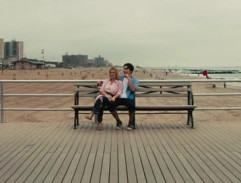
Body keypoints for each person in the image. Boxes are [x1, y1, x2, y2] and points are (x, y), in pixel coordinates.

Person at [109, 63, 139, 130]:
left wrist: (128, 79)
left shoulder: (134, 80)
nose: (124, 70)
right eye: (124, 69)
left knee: (132, 105)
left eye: (126, 69)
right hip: (119, 97)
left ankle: (131, 122)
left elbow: (133, 90)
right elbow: (110, 80)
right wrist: (101, 82)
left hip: (128, 98)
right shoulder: (120, 78)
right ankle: (118, 121)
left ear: (131, 71)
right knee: (110, 104)